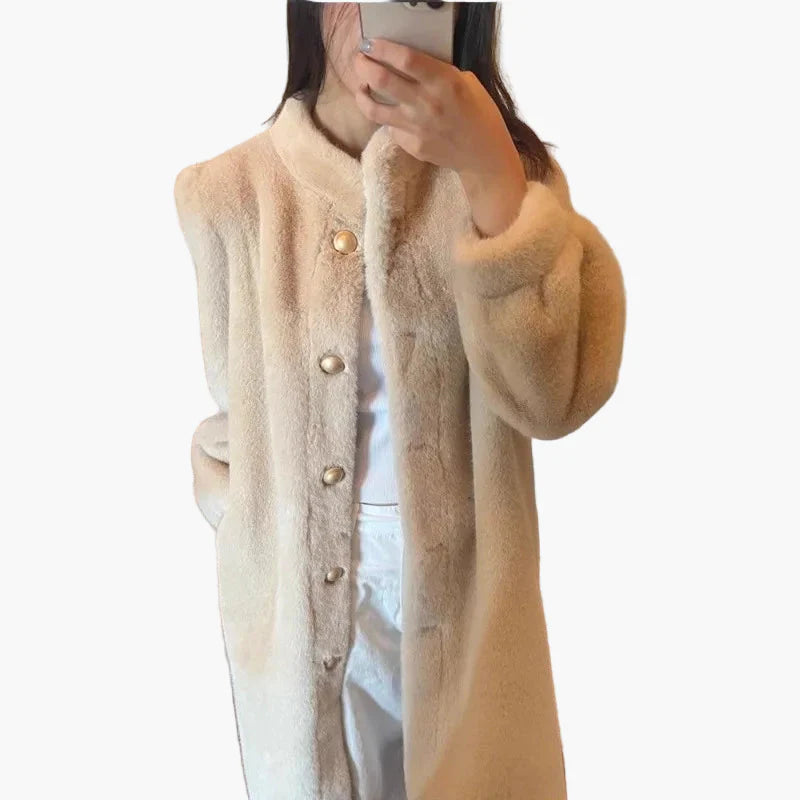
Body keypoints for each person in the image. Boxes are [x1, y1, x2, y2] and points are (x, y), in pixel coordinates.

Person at [173, 2, 626, 799]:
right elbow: (235, 403)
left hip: (463, 605)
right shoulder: (228, 194)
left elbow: (553, 401)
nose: (369, 17)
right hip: (298, 608)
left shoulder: (509, 181)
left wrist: (489, 171)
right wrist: (241, 509)